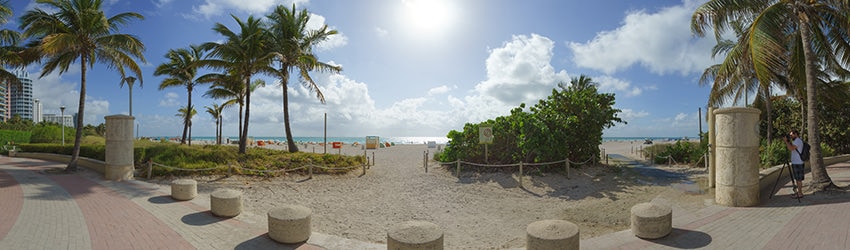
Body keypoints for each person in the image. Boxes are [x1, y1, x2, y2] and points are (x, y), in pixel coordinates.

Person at [783, 129, 805, 198]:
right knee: (797, 179)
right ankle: (799, 192)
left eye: (791, 135)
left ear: (796, 134)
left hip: (798, 163)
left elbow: (791, 148)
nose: (791, 136)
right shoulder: (796, 141)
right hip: (796, 162)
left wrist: (786, 141)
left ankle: (800, 193)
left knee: (798, 179)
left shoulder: (798, 141)